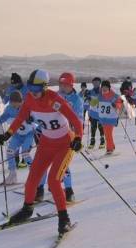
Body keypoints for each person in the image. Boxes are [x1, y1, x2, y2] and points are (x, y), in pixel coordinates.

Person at [0, 69, 83, 234]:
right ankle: (27, 209)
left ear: (44, 87)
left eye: (37, 90)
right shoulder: (28, 98)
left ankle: (64, 218)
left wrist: (78, 138)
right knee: (32, 179)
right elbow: (20, 117)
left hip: (64, 145)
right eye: (30, 89)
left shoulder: (55, 100)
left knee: (54, 181)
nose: (33, 93)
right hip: (45, 144)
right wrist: (7, 134)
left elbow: (75, 120)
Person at [34, 72, 84, 202]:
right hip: (49, 135)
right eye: (61, 84)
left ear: (71, 85)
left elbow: (79, 120)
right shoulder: (53, 96)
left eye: (66, 84)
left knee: (63, 165)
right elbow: (44, 114)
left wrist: (77, 137)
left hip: (67, 136)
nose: (63, 87)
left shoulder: (77, 100)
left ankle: (69, 190)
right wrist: (38, 129)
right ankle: (40, 190)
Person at [0, 91, 34, 185]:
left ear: (21, 101)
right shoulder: (9, 109)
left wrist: (31, 119)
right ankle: (12, 175)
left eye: (17, 102)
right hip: (17, 135)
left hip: (28, 134)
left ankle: (34, 175)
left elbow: (36, 119)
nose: (15, 105)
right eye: (12, 103)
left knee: (25, 153)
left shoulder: (27, 107)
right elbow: (1, 121)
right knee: (9, 151)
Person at [97, 80, 123, 155]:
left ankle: (109, 149)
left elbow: (119, 103)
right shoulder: (100, 96)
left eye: (105, 87)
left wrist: (116, 105)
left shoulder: (114, 96)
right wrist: (89, 100)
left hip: (111, 118)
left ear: (109, 88)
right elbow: (94, 103)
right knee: (106, 134)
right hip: (103, 118)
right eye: (103, 87)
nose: (104, 89)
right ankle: (112, 146)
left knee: (108, 134)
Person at [87, 77, 105, 149]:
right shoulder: (90, 91)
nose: (95, 84)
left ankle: (102, 141)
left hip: (101, 113)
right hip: (93, 113)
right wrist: (87, 97)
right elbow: (88, 100)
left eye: (97, 82)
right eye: (94, 83)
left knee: (101, 127)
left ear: (100, 83)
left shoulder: (103, 91)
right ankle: (92, 142)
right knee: (93, 127)